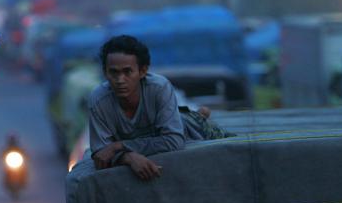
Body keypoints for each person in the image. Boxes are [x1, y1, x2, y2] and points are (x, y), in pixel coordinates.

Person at [89, 35, 234, 181]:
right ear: (105, 72)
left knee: (226, 138)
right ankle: (196, 112)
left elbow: (174, 141)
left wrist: (119, 146)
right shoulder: (99, 101)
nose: (120, 80)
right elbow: (101, 154)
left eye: (127, 72)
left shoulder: (159, 87)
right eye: (114, 72)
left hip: (189, 129)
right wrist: (129, 158)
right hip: (160, 129)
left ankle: (198, 114)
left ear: (143, 71)